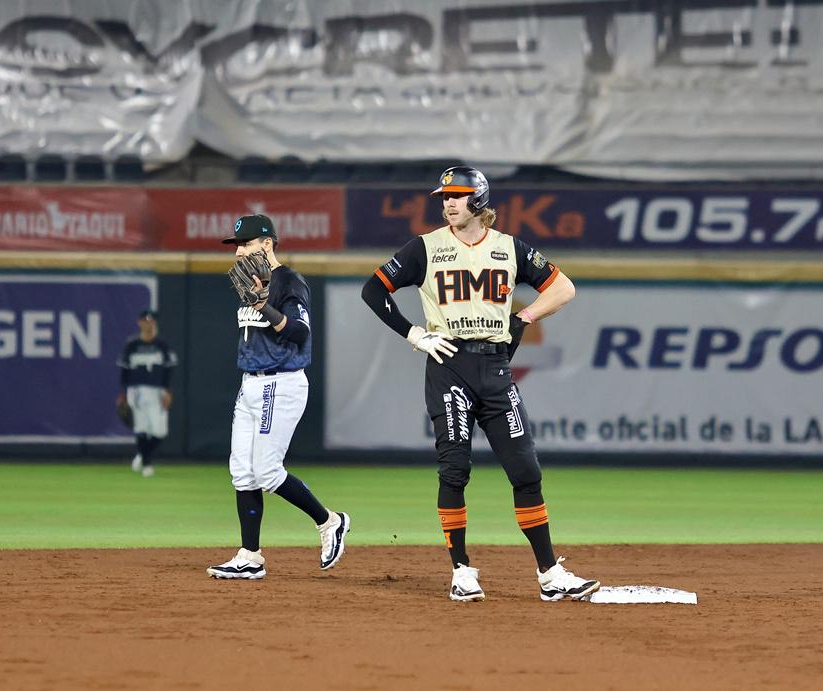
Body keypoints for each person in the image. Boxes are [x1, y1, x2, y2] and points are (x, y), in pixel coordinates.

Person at [361, 166, 600, 602]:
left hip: (494, 367)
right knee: (455, 469)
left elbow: (563, 288)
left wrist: (524, 317)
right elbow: (373, 291)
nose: (448, 202)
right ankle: (462, 569)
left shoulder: (510, 248)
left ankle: (550, 575)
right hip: (448, 363)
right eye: (444, 196)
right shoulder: (425, 247)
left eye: (457, 195)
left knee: (526, 470)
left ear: (479, 199)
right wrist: (414, 333)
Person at [207, 214, 350, 580]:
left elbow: (299, 333)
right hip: (250, 383)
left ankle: (329, 521)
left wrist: (263, 305)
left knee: (268, 472)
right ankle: (250, 556)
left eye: (246, 244)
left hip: (280, 383)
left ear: (267, 244)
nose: (239, 251)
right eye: (237, 245)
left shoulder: (289, 280)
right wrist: (256, 300)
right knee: (242, 473)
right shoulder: (253, 283)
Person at [116, 309, 177, 478]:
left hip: (158, 391)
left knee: (159, 431)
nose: (148, 324)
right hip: (136, 390)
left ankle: (142, 455)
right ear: (139, 323)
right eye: (145, 320)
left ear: (155, 324)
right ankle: (147, 464)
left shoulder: (162, 346)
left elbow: (168, 372)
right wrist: (122, 393)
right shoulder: (132, 345)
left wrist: (168, 392)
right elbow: (124, 370)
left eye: (151, 321)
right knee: (142, 427)